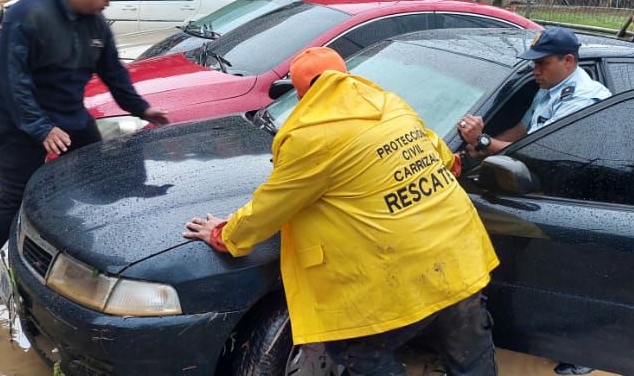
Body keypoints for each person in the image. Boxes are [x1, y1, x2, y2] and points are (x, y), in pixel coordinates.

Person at [183, 47, 500, 375]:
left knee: (356, 349)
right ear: (344, 74)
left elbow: (270, 207)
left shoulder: (310, 136)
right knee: (471, 359)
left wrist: (224, 234)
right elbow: (445, 161)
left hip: (402, 275)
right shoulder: (389, 105)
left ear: (303, 92)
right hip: (458, 256)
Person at [0, 0, 170, 301]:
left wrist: (141, 107)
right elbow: (14, 80)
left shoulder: (95, 22)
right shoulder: (30, 14)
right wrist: (41, 129)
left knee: (94, 174)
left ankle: (76, 257)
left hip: (65, 110)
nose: (110, 1)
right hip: (13, 114)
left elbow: (113, 71)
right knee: (15, 195)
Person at [457, 27, 611, 156]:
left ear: (568, 61)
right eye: (534, 64)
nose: (535, 72)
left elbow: (535, 152)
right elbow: (523, 129)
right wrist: (482, 148)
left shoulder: (581, 100)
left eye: (542, 63)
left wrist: (482, 141)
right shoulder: (552, 84)